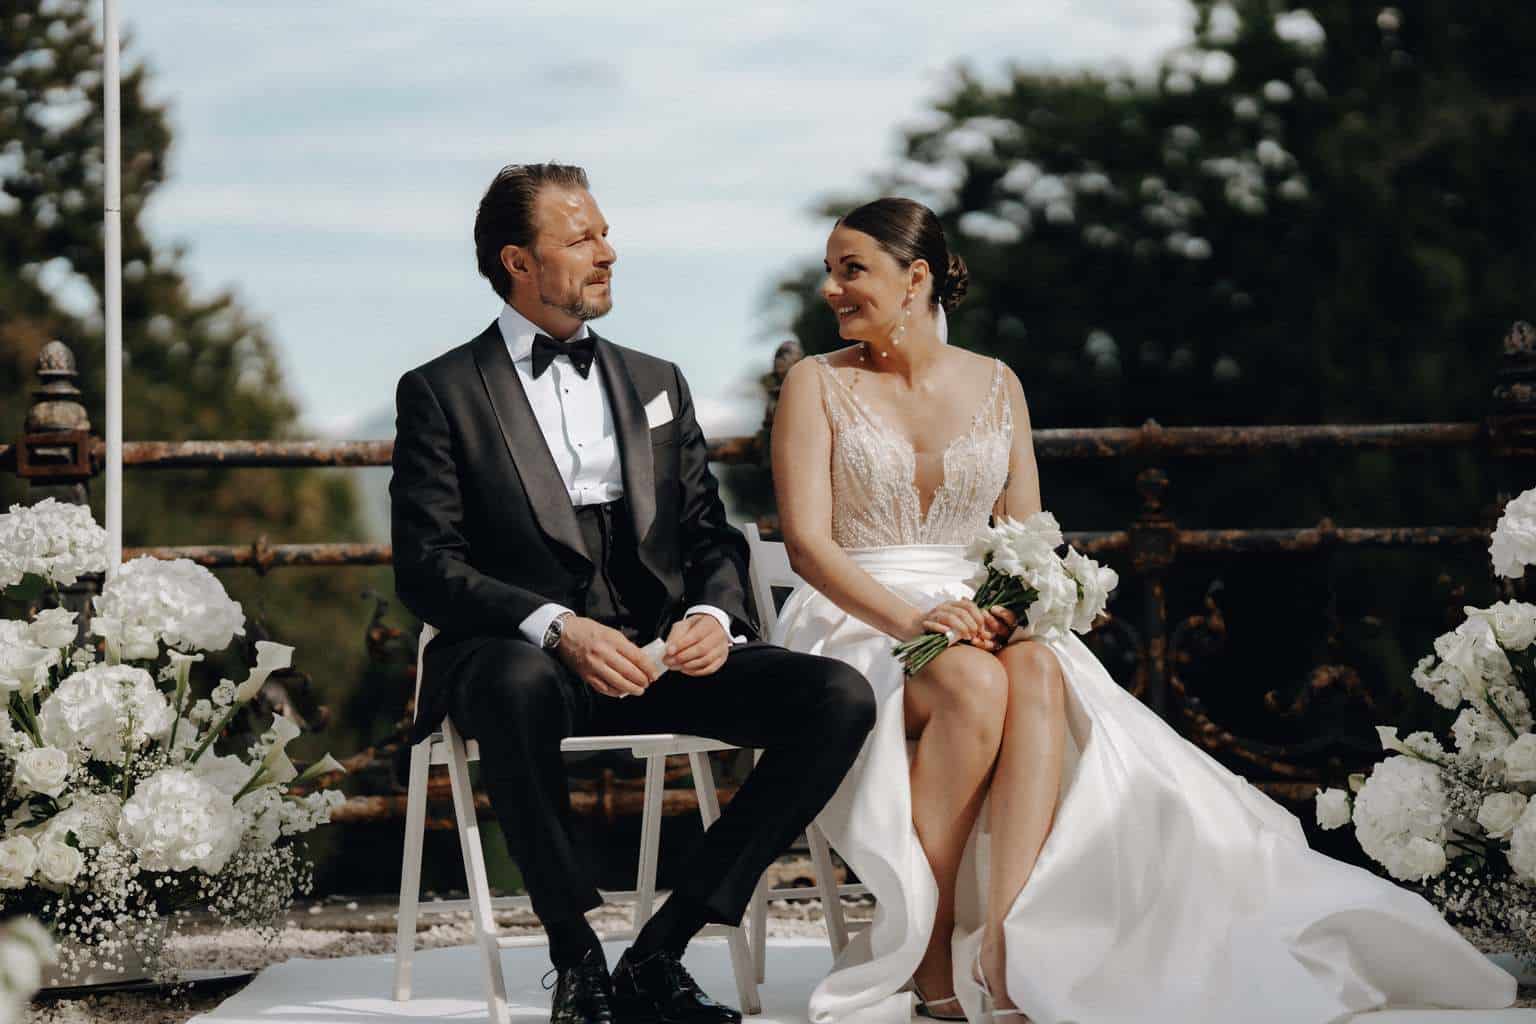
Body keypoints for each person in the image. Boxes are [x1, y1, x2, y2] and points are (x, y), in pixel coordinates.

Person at [769, 196, 1519, 1023]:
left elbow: (1027, 534)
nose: (831, 289)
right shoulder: (815, 383)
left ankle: (1006, 944)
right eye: (830, 271)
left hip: (976, 612)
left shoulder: (999, 384)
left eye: (851, 270)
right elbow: (807, 546)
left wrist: (1015, 606)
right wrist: (914, 622)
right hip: (859, 614)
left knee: (1037, 671)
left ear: (914, 278)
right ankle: (928, 942)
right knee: (976, 686)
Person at [390, 162, 876, 1024]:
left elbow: (708, 534)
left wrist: (713, 615)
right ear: (517, 261)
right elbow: (427, 563)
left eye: (605, 234)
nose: (608, 253)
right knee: (513, 679)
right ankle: (577, 960)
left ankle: (662, 950)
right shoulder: (442, 391)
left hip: (657, 655)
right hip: (523, 659)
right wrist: (555, 628)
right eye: (581, 239)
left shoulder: (658, 380)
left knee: (838, 696)